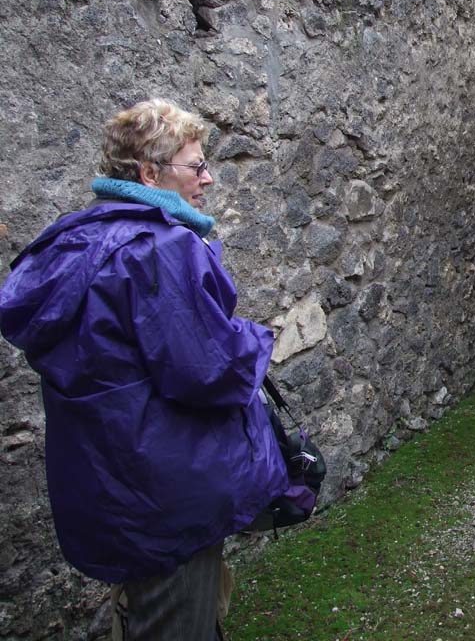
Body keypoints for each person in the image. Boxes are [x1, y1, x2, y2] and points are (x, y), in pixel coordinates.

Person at [0, 99, 288, 639]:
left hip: (112, 480)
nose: (208, 178)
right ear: (149, 174)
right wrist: (256, 335)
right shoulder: (159, 247)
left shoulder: (75, 239)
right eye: (196, 165)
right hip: (169, 487)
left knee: (146, 612)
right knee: (178, 619)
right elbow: (209, 370)